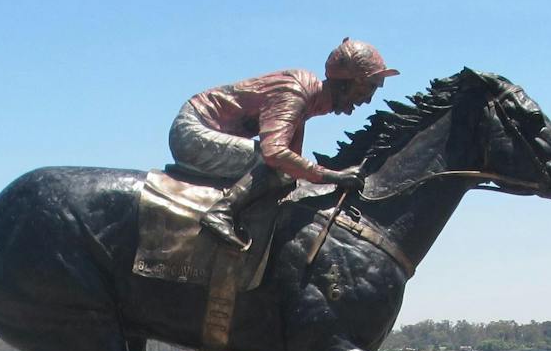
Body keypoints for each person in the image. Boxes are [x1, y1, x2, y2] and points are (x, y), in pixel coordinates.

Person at [169, 38, 399, 251]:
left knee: (284, 176)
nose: (368, 99)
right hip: (192, 131)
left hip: (204, 131)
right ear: (346, 83)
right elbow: (275, 154)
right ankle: (221, 212)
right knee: (270, 162)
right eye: (368, 87)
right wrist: (333, 176)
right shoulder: (296, 92)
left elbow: (292, 165)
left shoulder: (308, 101)